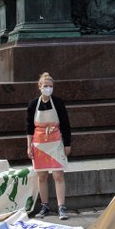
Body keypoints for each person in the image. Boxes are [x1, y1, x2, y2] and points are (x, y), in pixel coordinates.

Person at [26, 72, 74, 219]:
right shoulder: (33, 104)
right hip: (39, 144)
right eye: (45, 86)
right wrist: (29, 146)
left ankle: (61, 207)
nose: (48, 88)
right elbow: (29, 127)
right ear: (39, 86)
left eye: (50, 86)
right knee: (42, 177)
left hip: (56, 142)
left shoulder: (58, 103)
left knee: (58, 175)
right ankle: (44, 206)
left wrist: (67, 144)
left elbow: (65, 124)